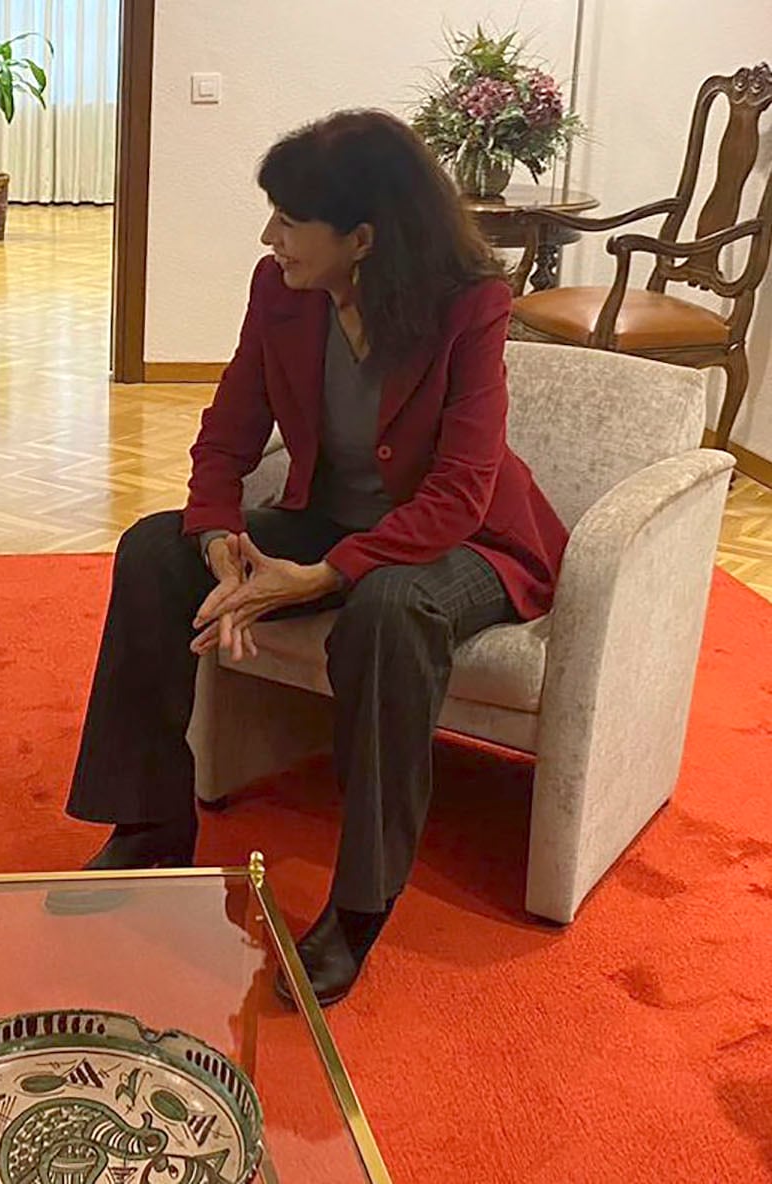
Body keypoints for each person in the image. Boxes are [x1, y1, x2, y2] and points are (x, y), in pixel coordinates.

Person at [64, 110, 568, 1006]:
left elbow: (458, 491)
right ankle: (148, 822)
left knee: (389, 609)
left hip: (468, 542)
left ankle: (360, 904)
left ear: (363, 237)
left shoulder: (470, 306)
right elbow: (225, 439)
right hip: (330, 519)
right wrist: (220, 540)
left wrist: (325, 576)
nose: (270, 237)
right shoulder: (280, 289)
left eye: (290, 220)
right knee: (153, 549)